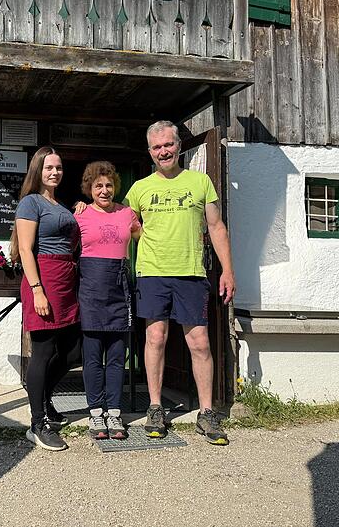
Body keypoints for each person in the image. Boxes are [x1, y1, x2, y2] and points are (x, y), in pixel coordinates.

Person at [124, 120, 236, 446]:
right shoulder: (140, 188)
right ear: (150, 152)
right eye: (157, 147)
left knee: (199, 342)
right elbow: (126, 225)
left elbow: (216, 227)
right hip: (153, 273)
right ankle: (156, 407)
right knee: (156, 338)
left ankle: (206, 413)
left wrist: (227, 270)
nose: (164, 151)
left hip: (191, 273)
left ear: (179, 146)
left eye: (168, 145)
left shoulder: (200, 182)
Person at [11, 146, 81, 452]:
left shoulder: (60, 204)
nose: (55, 172)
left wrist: (78, 212)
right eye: (49, 167)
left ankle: (42, 397)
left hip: (66, 280)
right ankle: (37, 423)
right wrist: (37, 289)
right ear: (38, 170)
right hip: (45, 278)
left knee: (73, 350)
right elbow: (26, 249)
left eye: (59, 168)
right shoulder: (30, 203)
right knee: (44, 350)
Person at [74, 161, 141, 440]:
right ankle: (95, 414)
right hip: (90, 290)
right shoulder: (79, 215)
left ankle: (114, 412)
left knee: (116, 357)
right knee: (92, 358)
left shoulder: (127, 213)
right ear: (89, 188)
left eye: (109, 185)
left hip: (119, 290)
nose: (104, 190)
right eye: (98, 185)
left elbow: (147, 239)